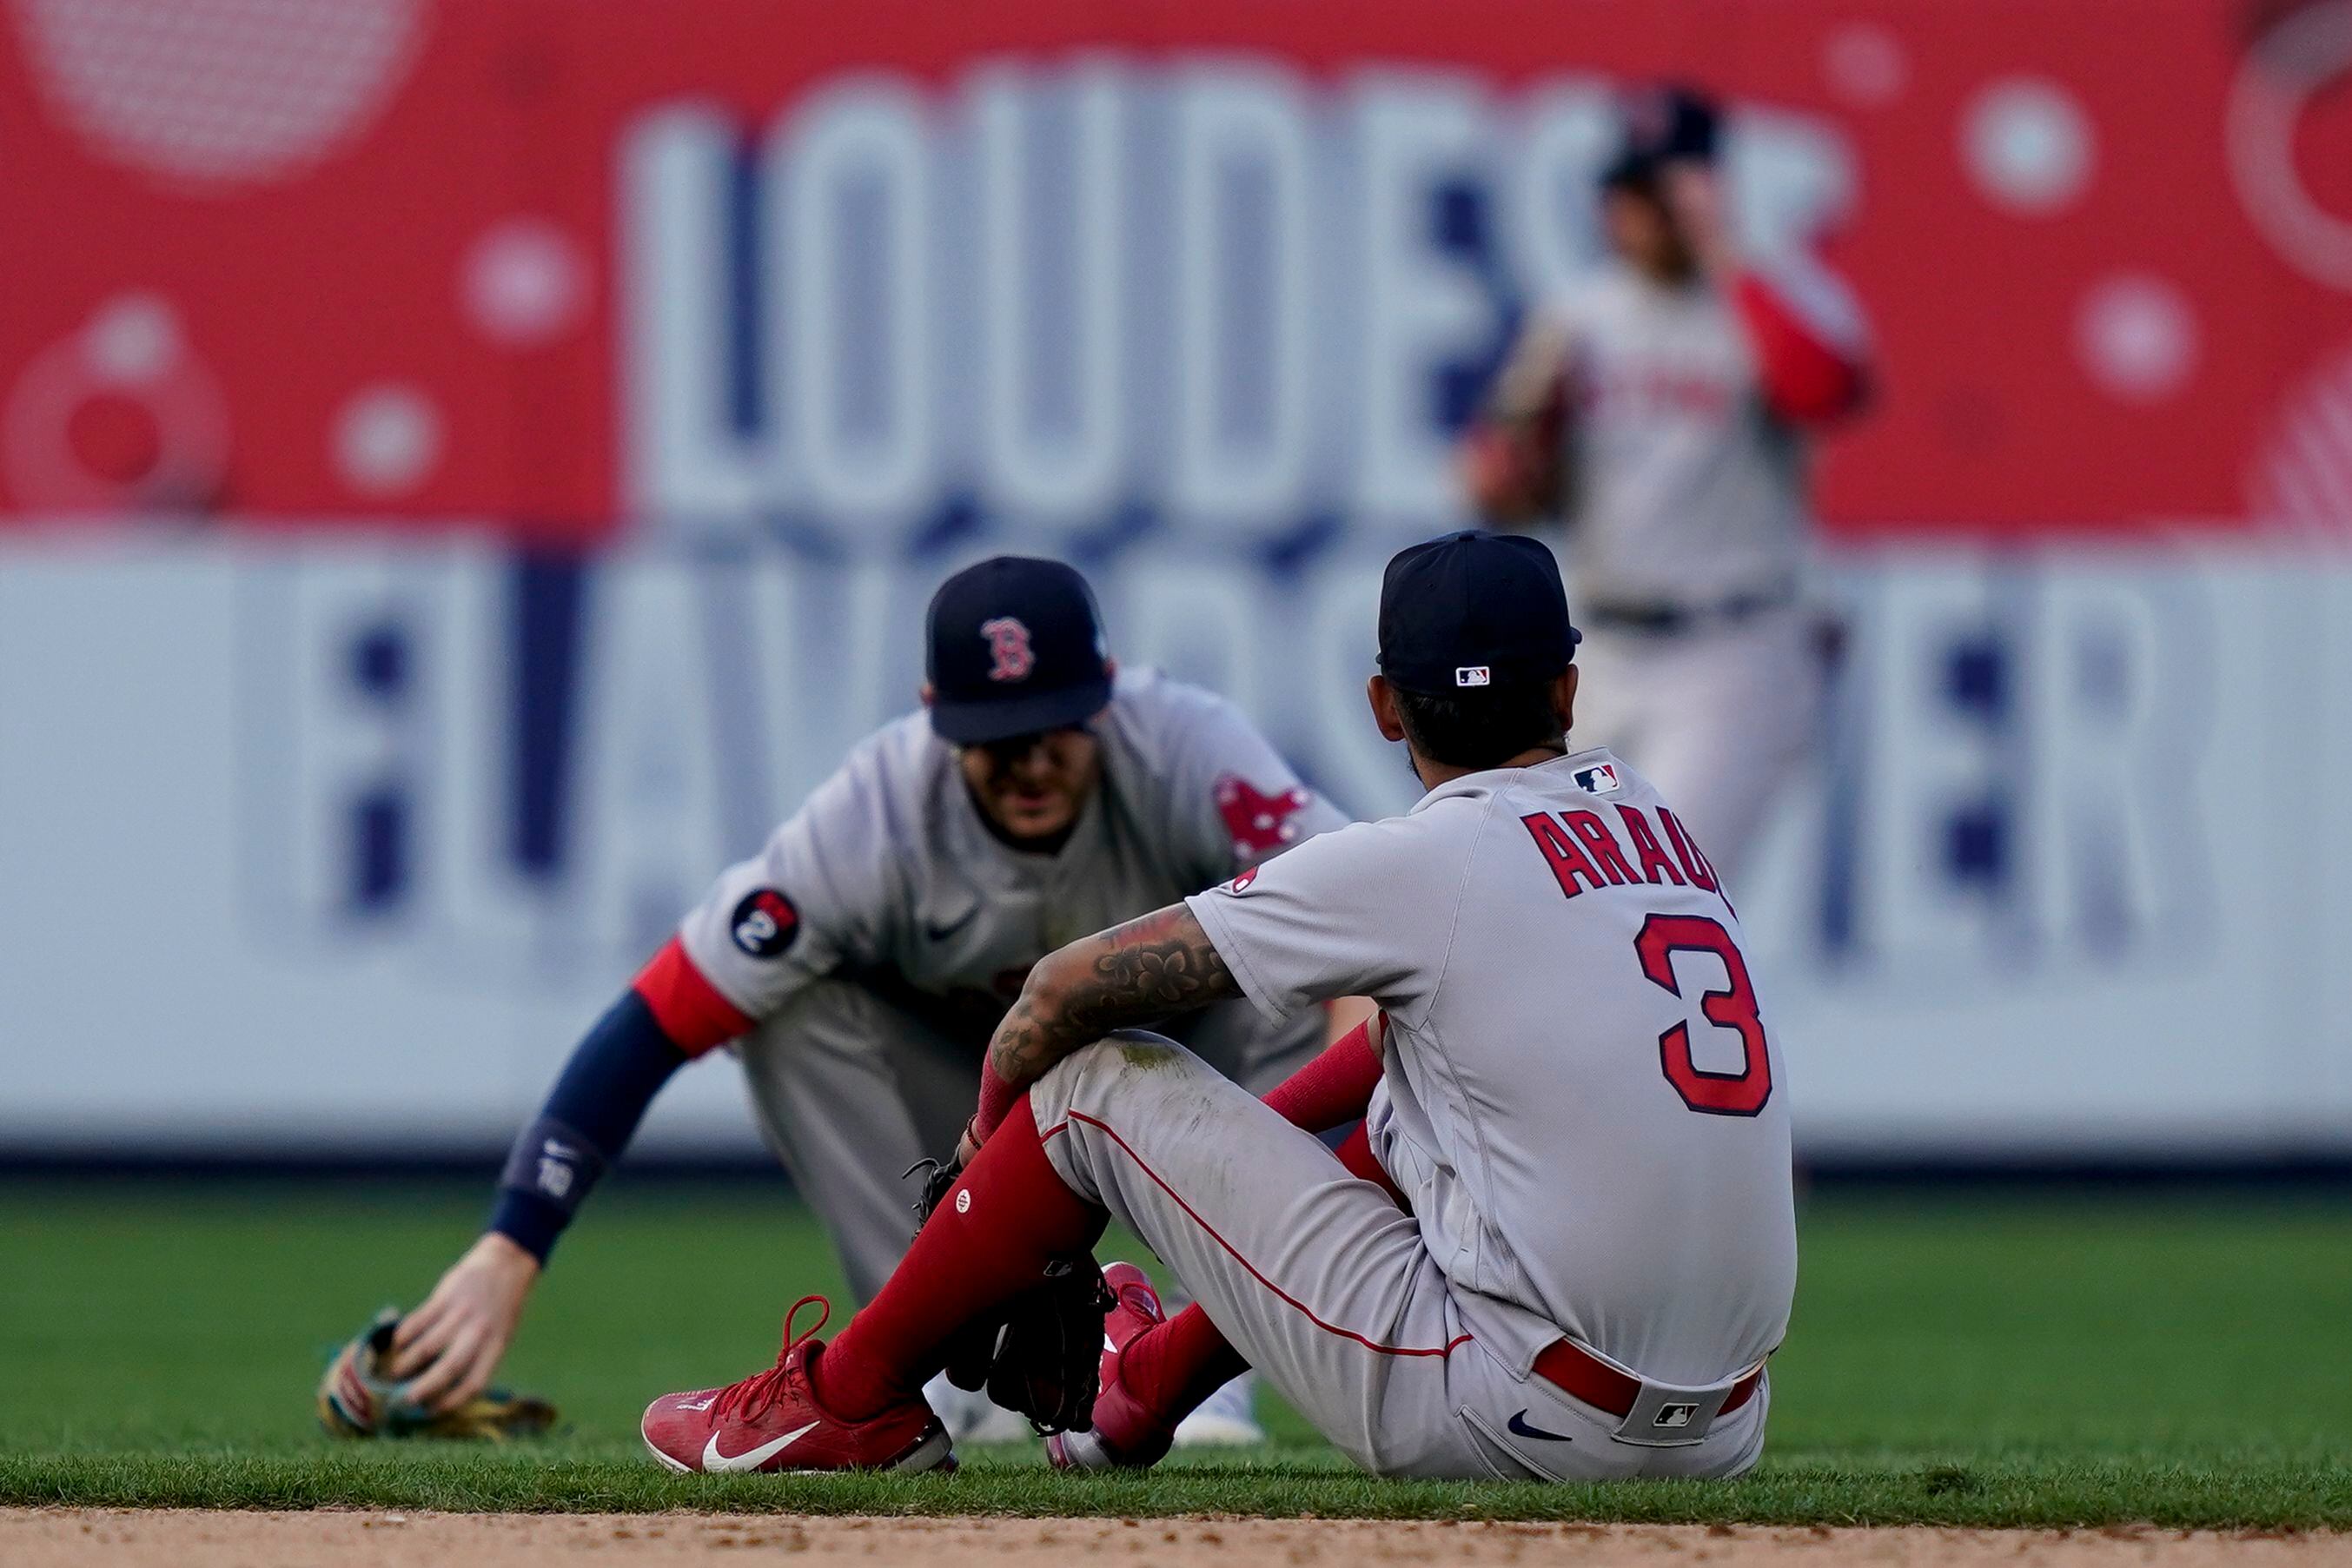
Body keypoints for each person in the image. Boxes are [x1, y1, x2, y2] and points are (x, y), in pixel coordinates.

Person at [640, 530, 1796, 1480]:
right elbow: (1402, 1060)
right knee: (1428, 1094)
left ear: (1385, 707)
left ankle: (849, 1402)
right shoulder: (1656, 825)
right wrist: (1218, 1192)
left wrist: (990, 1168)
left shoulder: (1421, 862)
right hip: (1724, 1432)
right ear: (1567, 688)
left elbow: (1057, 995)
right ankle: (1139, 1393)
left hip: (1506, 1418)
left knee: (1091, 1080)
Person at [388, 555, 1357, 1446]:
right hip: (974, 1115)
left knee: (1292, 965)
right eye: (993, 735)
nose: (1027, 762)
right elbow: (663, 1012)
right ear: (936, 716)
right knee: (784, 1001)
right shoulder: (875, 813)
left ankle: (1204, 1365)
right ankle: (946, 1359)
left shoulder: (1189, 748)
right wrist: (509, 1245)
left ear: (1103, 699)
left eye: (1052, 727)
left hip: (1181, 1081)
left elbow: (1357, 933)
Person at [1461, 83, 1872, 881]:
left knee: (1659, 892)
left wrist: (1725, 254)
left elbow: (1821, 389)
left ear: (1708, 193)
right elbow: (1505, 486)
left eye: (1664, 191)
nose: (1642, 212)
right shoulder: (1579, 317)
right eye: (1629, 191)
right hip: (1599, 655)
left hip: (1732, 651)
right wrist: (1508, 467)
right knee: (1542, 891)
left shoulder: (1777, 298)